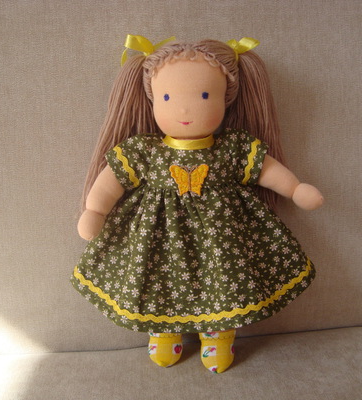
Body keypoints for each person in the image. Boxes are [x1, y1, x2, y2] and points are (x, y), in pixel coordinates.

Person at [71, 35, 324, 373]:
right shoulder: (145, 150)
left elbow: (266, 170)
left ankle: (218, 335)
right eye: (167, 97)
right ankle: (164, 331)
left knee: (224, 280)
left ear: (226, 98)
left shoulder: (232, 148)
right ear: (152, 99)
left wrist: (294, 189)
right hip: (159, 239)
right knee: (158, 280)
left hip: (222, 240)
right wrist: (95, 210)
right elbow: (111, 180)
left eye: (205, 95)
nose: (185, 109)